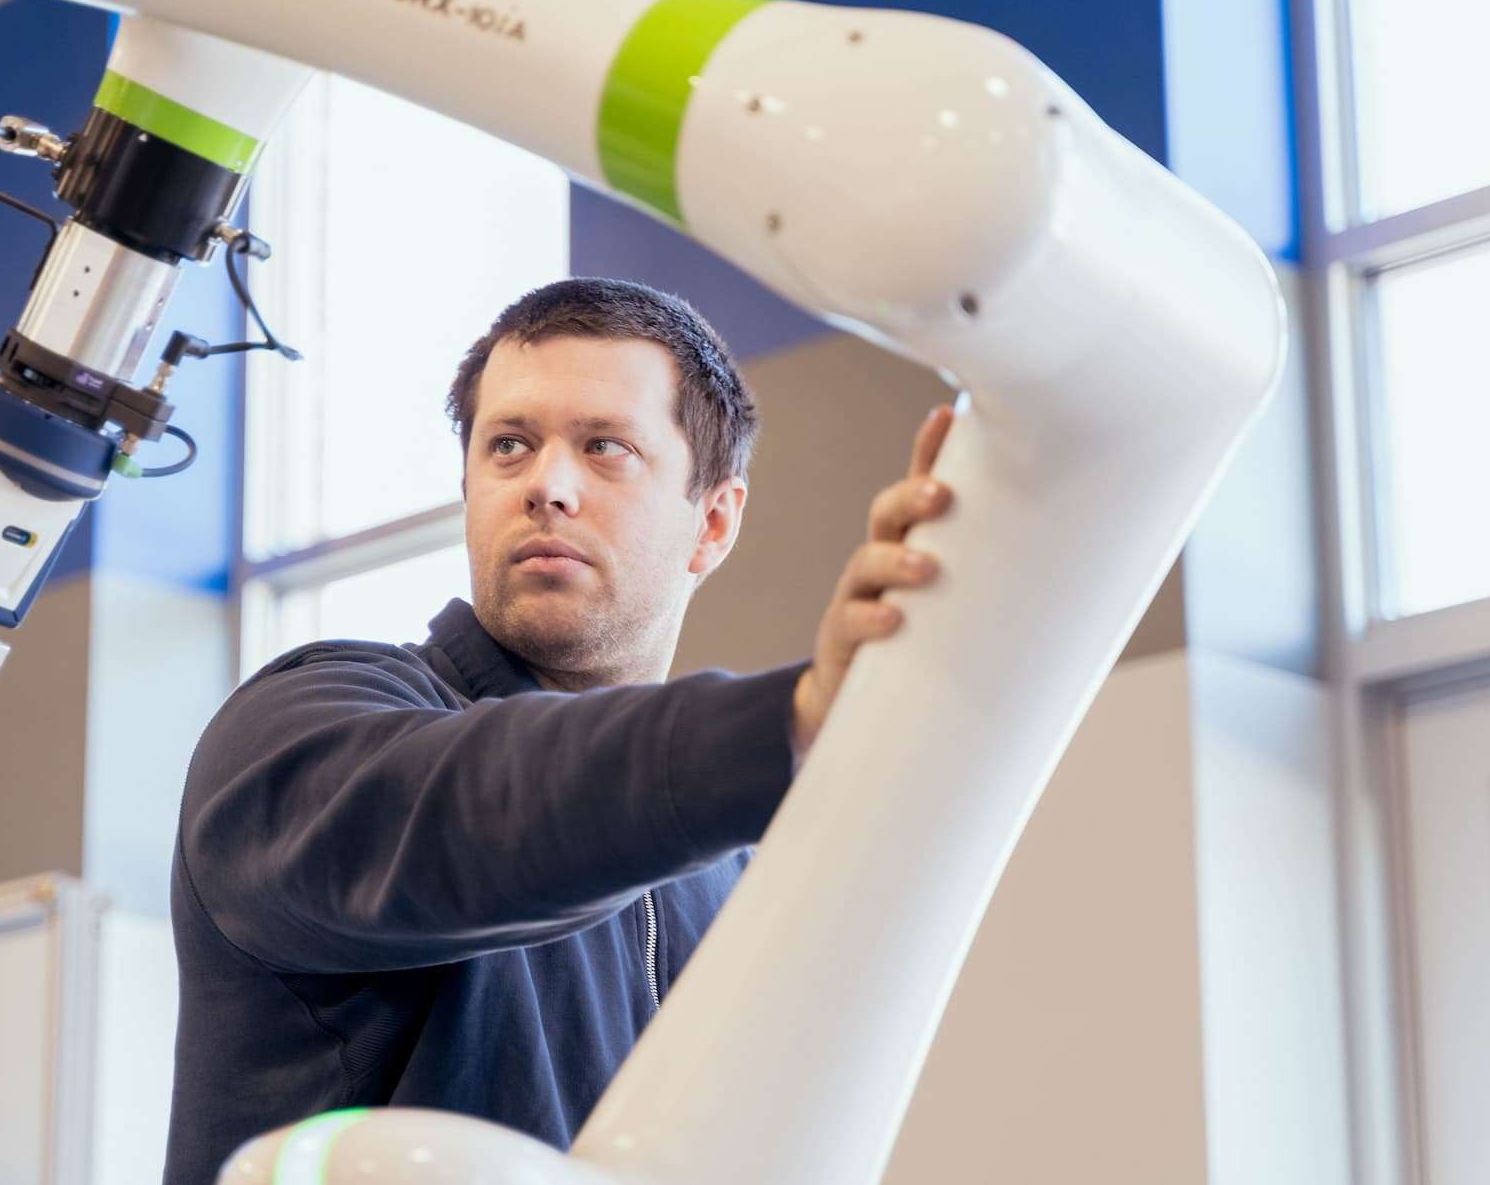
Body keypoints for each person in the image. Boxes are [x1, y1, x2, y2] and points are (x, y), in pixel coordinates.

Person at [162, 277, 954, 1182]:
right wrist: (797, 717)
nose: (548, 484)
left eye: (605, 447)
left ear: (715, 522)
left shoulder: (729, 874)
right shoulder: (298, 735)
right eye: (510, 445)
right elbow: (475, 808)